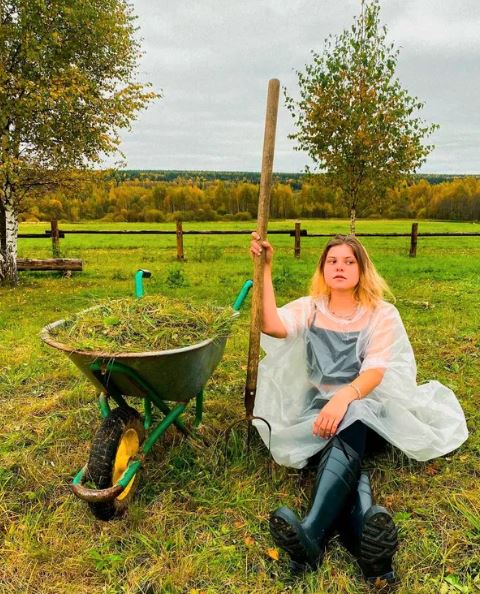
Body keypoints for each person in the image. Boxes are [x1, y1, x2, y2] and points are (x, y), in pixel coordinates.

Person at [249, 232, 468, 582]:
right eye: (332, 261)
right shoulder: (311, 306)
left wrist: (343, 397)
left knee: (350, 419)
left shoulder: (381, 314)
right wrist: (266, 270)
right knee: (347, 464)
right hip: (319, 411)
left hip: (369, 409)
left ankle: (312, 532)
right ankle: (372, 549)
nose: (340, 267)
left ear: (362, 269)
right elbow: (272, 325)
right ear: (322, 269)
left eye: (349, 262)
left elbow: (375, 373)